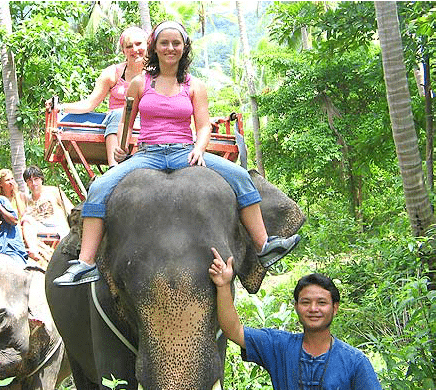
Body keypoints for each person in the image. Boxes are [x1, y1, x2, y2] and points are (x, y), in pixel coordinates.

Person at [53, 21, 300, 286]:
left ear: (184, 48)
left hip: (184, 152)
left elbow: (203, 125)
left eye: (176, 43)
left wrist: (199, 148)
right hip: (148, 154)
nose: (170, 48)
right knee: (100, 186)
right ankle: (86, 263)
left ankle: (264, 245)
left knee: (240, 176)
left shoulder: (195, 86)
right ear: (155, 48)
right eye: (164, 43)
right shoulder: (140, 83)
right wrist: (122, 146)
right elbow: (126, 121)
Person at [208, 247, 383, 390]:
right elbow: (234, 330)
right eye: (306, 302)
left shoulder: (354, 361)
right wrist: (223, 285)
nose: (313, 309)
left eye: (321, 302)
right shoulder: (279, 347)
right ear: (296, 307)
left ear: (335, 308)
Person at [59, 26, 148, 167]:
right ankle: (115, 166)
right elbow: (89, 104)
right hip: (118, 122)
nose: (134, 49)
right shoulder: (112, 74)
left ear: (147, 45)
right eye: (129, 46)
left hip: (145, 123)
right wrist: (61, 107)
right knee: (119, 114)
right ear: (124, 51)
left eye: (138, 44)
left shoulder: (157, 74)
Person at [21, 165, 73, 264]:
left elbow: (70, 209)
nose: (33, 183)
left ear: (41, 179)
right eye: (30, 181)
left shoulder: (53, 191)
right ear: (27, 183)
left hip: (58, 229)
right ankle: (33, 251)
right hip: (39, 230)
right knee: (26, 219)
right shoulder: (27, 200)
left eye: (36, 179)